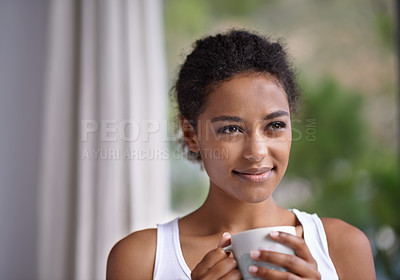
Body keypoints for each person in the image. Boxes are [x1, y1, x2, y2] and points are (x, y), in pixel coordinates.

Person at [106, 30, 376, 280]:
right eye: (231, 129)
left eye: (275, 125)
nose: (256, 152)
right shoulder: (142, 259)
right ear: (191, 135)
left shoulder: (343, 247)